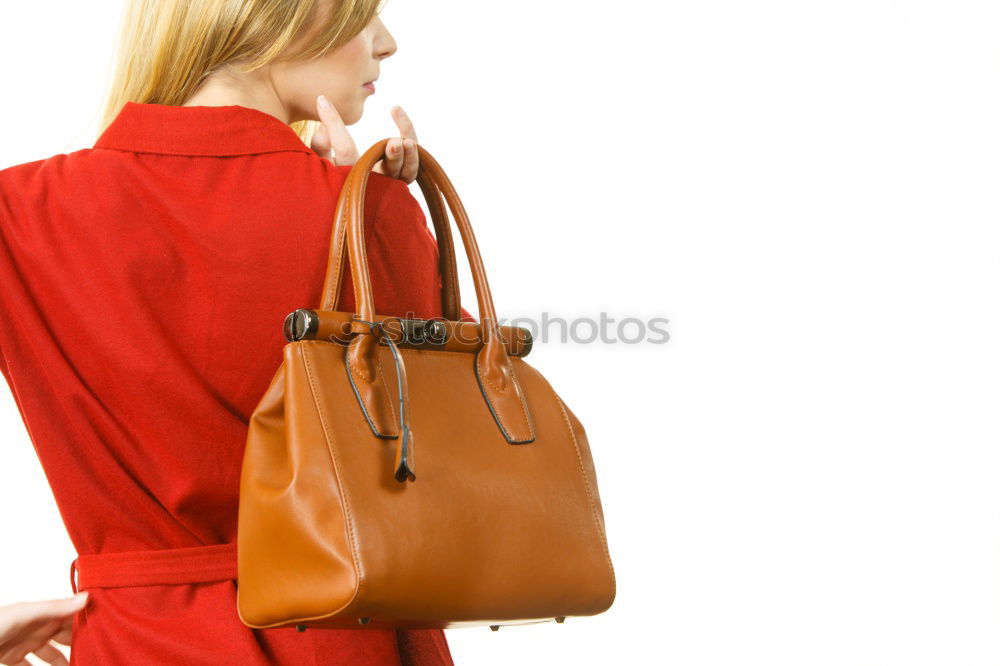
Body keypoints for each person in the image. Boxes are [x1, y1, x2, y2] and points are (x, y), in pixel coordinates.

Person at [0, 0, 469, 663]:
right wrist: (383, 225)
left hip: (137, 640)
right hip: (346, 635)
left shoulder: (19, 215)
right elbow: (459, 453)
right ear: (279, 17)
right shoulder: (366, 214)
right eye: (363, 14)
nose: (385, 43)